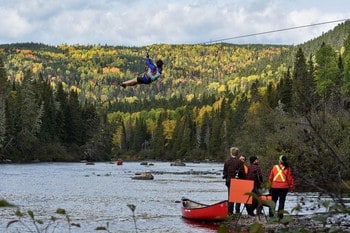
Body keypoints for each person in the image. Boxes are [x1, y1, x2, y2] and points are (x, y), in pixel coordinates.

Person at [268, 155, 295, 219]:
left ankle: (271, 215)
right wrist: (292, 187)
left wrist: (269, 186)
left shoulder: (274, 167)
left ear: (280, 161)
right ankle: (280, 216)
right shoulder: (288, 168)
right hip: (284, 187)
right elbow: (290, 179)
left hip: (274, 187)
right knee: (282, 201)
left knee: (273, 201)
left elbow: (270, 178)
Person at [223, 147, 246, 215]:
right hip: (238, 180)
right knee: (238, 197)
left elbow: (225, 172)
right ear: (237, 153)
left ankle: (230, 212)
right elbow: (242, 173)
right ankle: (237, 211)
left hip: (230, 180)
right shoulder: (240, 162)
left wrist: (226, 177)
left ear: (231, 153)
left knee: (230, 197)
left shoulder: (227, 161)